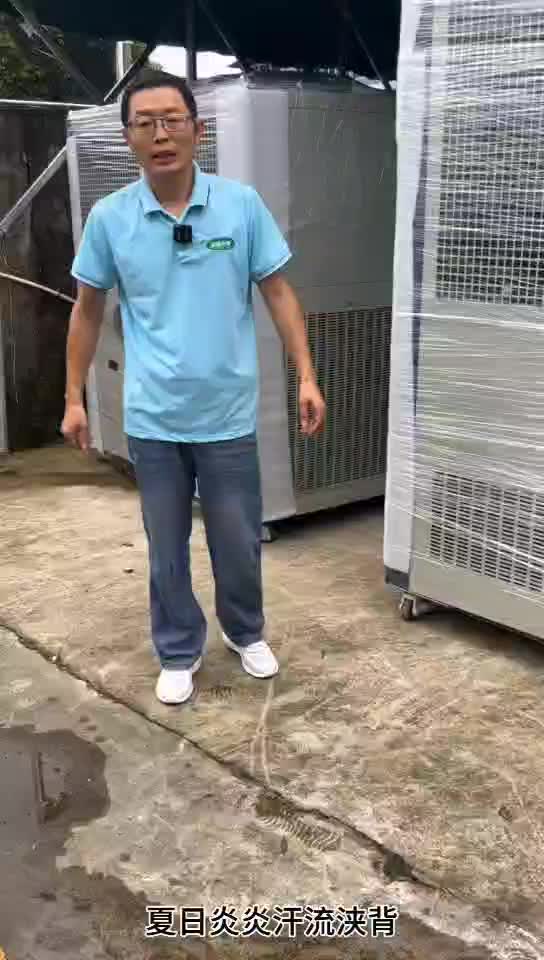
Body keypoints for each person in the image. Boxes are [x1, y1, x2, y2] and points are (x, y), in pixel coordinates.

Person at [62, 75, 325, 706]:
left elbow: (278, 292)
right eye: (145, 123)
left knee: (237, 539)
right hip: (153, 417)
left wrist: (307, 374)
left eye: (172, 120)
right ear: (128, 138)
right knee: (167, 547)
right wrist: (73, 396)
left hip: (227, 412)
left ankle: (245, 630)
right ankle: (178, 648)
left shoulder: (239, 206)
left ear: (197, 131)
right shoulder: (111, 218)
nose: (161, 134)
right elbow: (87, 309)